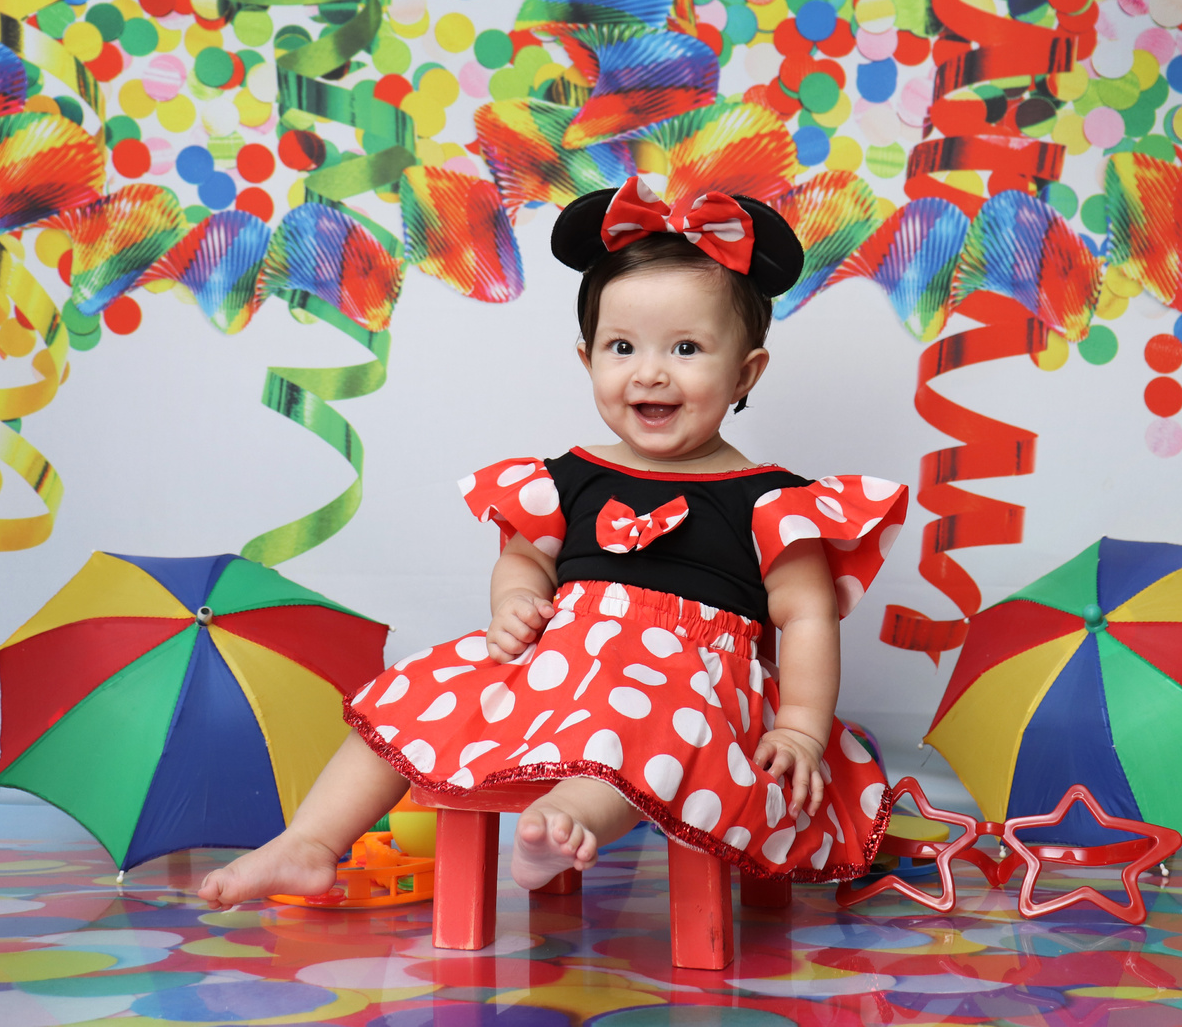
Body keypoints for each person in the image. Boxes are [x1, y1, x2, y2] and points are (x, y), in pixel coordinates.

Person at [198, 176, 908, 907]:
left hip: (693, 687)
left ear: (744, 372)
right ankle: (309, 842)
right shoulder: (568, 477)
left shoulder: (770, 501)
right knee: (413, 692)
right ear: (587, 359)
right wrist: (514, 603)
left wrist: (800, 730)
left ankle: (566, 821)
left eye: (687, 347)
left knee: (647, 719)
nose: (650, 371)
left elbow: (807, 616)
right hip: (563, 663)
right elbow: (527, 557)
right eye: (622, 346)